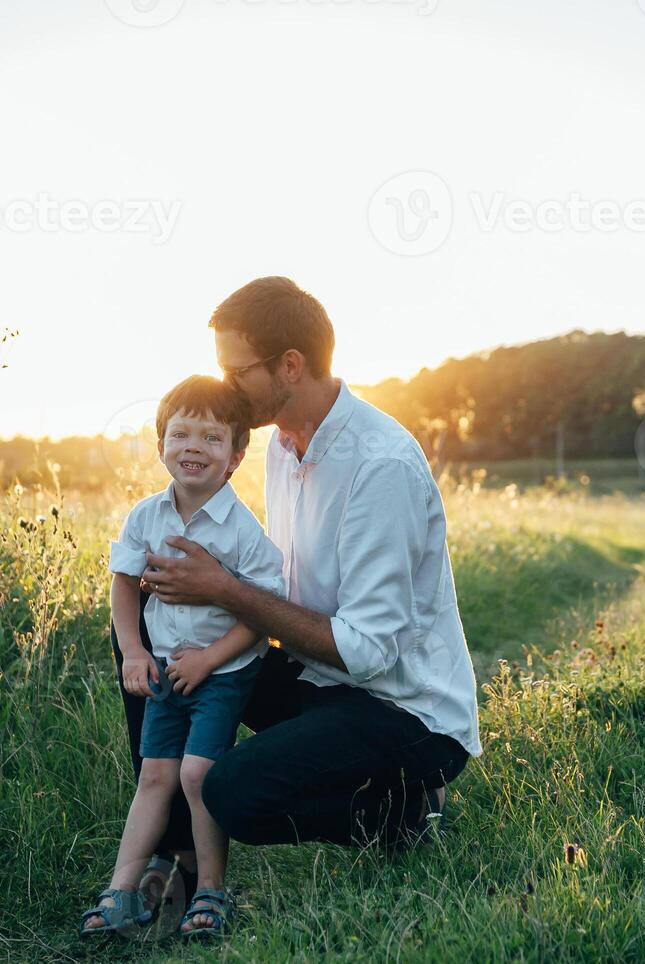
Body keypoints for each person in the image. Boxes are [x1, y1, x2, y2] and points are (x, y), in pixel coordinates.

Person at [139, 276, 481, 860]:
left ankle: (403, 812)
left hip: (404, 710)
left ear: (289, 366)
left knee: (233, 792)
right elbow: (279, 590)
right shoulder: (280, 445)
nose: (226, 386)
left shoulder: (381, 465)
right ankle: (170, 854)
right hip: (318, 681)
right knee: (155, 628)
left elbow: (368, 652)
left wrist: (224, 590)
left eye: (236, 371)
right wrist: (195, 590)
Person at [81, 375, 284, 940]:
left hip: (220, 672)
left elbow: (262, 610)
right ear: (161, 444)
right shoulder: (146, 516)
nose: (194, 447)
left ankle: (211, 892)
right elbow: (124, 585)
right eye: (182, 434)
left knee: (198, 775)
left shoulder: (242, 531)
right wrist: (132, 651)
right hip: (165, 667)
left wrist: (208, 660)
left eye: (212, 438)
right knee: (155, 776)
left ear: (236, 455)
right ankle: (120, 891)